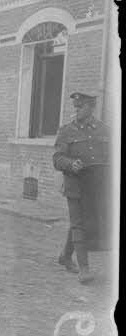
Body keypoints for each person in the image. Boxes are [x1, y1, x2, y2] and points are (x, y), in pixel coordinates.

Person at [53, 91, 109, 285]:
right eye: (75, 107)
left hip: (95, 186)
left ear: (91, 107)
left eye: (81, 107)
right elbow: (57, 159)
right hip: (75, 184)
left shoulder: (104, 130)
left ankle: (65, 256)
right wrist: (70, 164)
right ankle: (84, 268)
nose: (76, 110)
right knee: (78, 223)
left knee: (80, 222)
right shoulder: (66, 131)